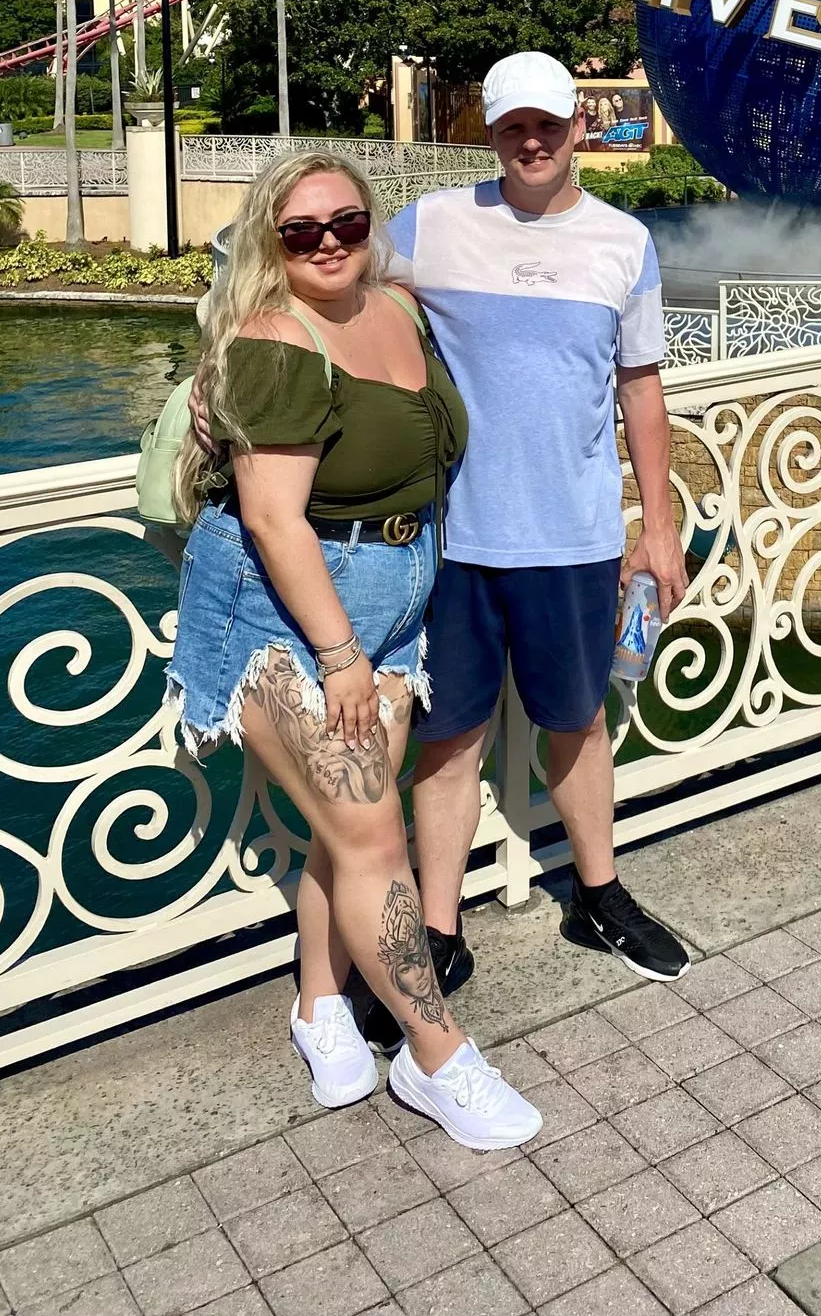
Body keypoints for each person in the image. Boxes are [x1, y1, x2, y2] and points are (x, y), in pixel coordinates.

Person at [169, 151, 539, 1147]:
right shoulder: (275, 338)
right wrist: (335, 654)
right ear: (269, 243)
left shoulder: (397, 309)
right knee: (377, 834)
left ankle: (317, 999)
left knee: (350, 825)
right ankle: (439, 1056)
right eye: (300, 232)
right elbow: (276, 517)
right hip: (289, 617)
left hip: (393, 606)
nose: (328, 242)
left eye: (346, 222)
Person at [389, 51, 692, 998]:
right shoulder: (430, 225)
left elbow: (641, 389)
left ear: (577, 130)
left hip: (574, 538)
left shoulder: (624, 242)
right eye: (514, 126)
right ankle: (438, 929)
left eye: (548, 125)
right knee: (446, 741)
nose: (532, 141)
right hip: (452, 541)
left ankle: (597, 892)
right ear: (490, 132)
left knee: (577, 720)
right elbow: (335, 302)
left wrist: (659, 522)